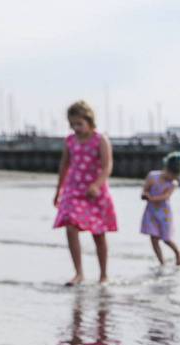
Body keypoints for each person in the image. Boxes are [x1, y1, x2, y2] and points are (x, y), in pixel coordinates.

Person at [53, 100, 118, 285]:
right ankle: (78, 273)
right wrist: (59, 190)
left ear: (89, 120)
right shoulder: (70, 141)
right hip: (73, 190)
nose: (76, 128)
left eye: (79, 124)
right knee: (70, 226)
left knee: (98, 233)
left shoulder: (100, 139)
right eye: (73, 124)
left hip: (95, 192)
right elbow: (64, 165)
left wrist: (97, 185)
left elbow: (107, 166)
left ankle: (103, 274)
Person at [140, 151, 180, 265]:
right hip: (151, 212)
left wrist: (151, 198)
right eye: (171, 174)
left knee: (166, 238)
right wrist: (145, 195)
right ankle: (161, 262)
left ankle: (178, 255)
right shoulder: (152, 176)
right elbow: (145, 189)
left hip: (164, 213)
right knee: (154, 237)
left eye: (175, 176)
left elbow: (166, 196)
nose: (172, 177)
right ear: (166, 168)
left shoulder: (173, 183)